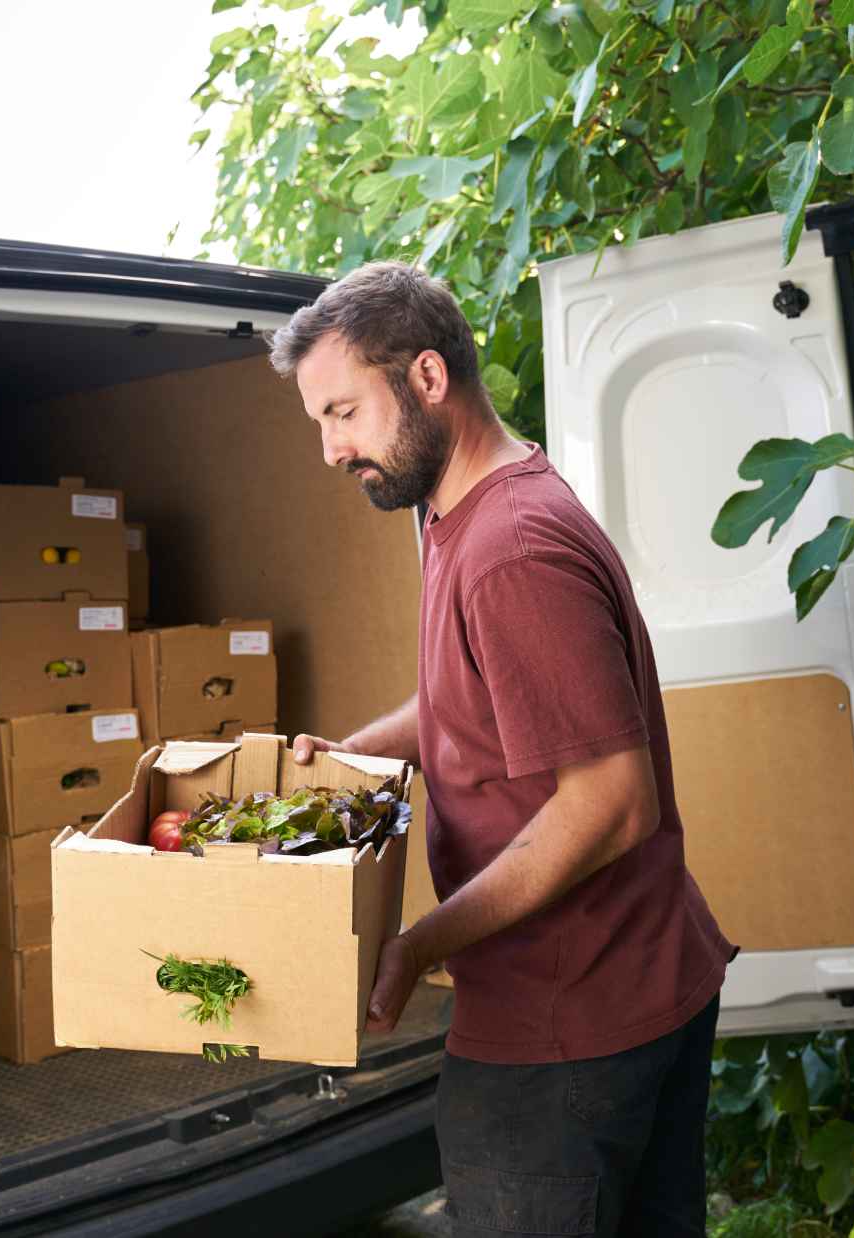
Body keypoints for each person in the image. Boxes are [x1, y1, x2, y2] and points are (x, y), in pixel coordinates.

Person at [271, 262, 737, 1237]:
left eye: (344, 411)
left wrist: (416, 943)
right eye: (320, 420)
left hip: (565, 1022)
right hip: (632, 977)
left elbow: (611, 801)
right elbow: (468, 697)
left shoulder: (511, 548)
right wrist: (353, 756)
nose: (327, 448)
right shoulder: (457, 506)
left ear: (428, 378)